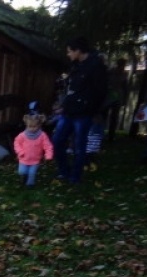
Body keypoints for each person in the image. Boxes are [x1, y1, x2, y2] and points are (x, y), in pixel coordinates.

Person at [51, 37, 108, 183]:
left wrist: (93, 110)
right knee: (57, 140)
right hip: (68, 112)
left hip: (84, 114)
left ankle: (75, 176)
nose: (68, 54)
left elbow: (101, 92)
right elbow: (72, 89)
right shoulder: (75, 65)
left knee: (79, 145)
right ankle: (64, 171)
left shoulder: (96, 66)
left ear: (78, 51)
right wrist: (63, 106)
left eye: (70, 51)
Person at [13, 112, 54, 187]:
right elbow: (16, 143)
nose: (32, 129)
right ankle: (24, 177)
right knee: (22, 172)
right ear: (27, 125)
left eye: (34, 126)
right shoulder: (22, 135)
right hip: (23, 158)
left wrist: (48, 155)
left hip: (35, 160)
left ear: (39, 125)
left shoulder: (42, 135)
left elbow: (48, 146)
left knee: (32, 173)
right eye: (30, 126)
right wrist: (20, 152)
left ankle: (30, 185)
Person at [105, 58, 129, 142]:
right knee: (105, 116)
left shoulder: (124, 74)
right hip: (108, 97)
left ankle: (111, 136)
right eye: (122, 65)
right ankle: (101, 134)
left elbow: (125, 88)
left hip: (117, 98)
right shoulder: (110, 72)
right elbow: (105, 83)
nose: (122, 67)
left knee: (114, 118)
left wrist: (124, 100)